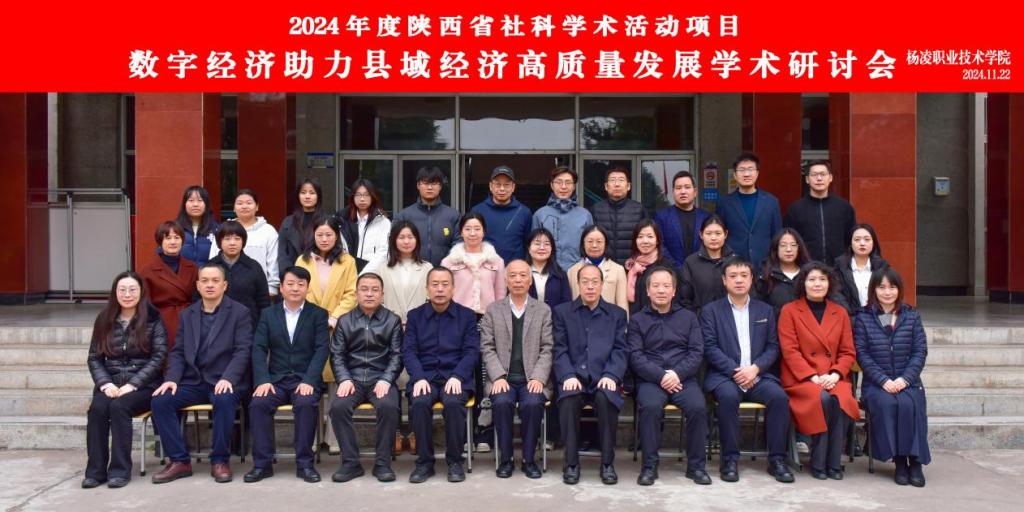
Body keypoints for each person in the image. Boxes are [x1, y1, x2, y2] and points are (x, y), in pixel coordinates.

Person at [150, 263, 253, 484]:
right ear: (197, 285)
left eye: (215, 281)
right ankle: (179, 461)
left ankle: (220, 460)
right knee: (161, 400)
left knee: (224, 399)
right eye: (205, 281)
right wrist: (171, 379)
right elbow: (178, 351)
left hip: (225, 380)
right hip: (194, 381)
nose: (210, 285)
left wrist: (228, 378)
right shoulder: (188, 314)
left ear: (224, 285)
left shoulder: (240, 312)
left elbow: (243, 350)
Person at [701, 258, 795, 484]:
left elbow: (773, 346)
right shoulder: (711, 311)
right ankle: (729, 461)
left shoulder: (766, 310)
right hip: (725, 377)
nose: (739, 280)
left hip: (758, 375)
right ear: (724, 280)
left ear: (752, 279)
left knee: (779, 398)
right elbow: (709, 347)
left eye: (744, 275)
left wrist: (755, 369)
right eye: (733, 276)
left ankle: (777, 460)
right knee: (727, 397)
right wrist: (736, 371)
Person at [245, 266, 329, 484]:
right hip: (276, 380)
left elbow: (322, 349)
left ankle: (305, 464)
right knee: (258, 404)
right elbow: (259, 348)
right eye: (290, 284)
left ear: (307, 288)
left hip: (304, 379)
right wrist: (262, 380)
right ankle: (262, 464)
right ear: (281, 288)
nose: (295, 288)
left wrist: (309, 380)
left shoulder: (318, 314)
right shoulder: (268, 314)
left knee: (305, 403)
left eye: (301, 284)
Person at [83, 272, 167, 489]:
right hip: (111, 384)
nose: (127, 294)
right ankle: (95, 472)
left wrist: (133, 384)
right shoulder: (104, 318)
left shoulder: (153, 319)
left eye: (132, 290)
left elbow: (158, 357)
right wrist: (105, 384)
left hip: (144, 386)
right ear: (115, 292)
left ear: (141, 292)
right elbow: (94, 358)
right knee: (98, 409)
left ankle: (120, 471)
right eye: (122, 290)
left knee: (119, 407)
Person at [778, 262, 860, 480]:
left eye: (822, 279)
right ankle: (818, 461)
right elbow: (790, 351)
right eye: (812, 279)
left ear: (829, 283)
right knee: (822, 399)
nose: (817, 284)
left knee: (841, 400)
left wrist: (835, 374)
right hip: (801, 379)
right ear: (803, 283)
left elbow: (848, 351)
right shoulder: (789, 311)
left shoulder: (840, 313)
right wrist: (813, 376)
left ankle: (834, 463)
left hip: (833, 377)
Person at [629, 267, 710, 486]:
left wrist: (676, 373)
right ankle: (649, 467)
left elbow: (696, 352)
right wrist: (661, 376)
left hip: (683, 378)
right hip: (651, 379)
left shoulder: (689, 317)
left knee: (698, 407)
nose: (661, 290)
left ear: (674, 291)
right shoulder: (637, 320)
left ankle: (696, 467)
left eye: (666, 286)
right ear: (648, 291)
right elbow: (636, 356)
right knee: (650, 407)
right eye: (656, 286)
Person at [403, 267, 480, 484]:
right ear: (427, 288)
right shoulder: (415, 316)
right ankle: (424, 462)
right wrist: (418, 377)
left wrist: (458, 376)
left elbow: (472, 351)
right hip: (425, 376)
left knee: (454, 403)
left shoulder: (467, 316)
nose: (440, 289)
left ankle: (455, 461)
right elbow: (408, 351)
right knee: (419, 402)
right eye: (435, 284)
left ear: (453, 288)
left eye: (445, 284)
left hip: (455, 376)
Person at [553, 264, 628, 485]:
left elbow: (621, 350)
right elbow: (559, 349)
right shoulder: (562, 312)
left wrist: (611, 375)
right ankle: (571, 463)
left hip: (603, 376)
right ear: (578, 284)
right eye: (585, 281)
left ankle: (607, 463)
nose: (590, 286)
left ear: (602, 284)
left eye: (595, 282)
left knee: (607, 399)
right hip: (574, 377)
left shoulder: (617, 314)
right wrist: (567, 375)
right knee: (568, 400)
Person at [854, 267, 930, 487]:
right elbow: (862, 354)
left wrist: (905, 379)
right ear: (874, 290)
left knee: (909, 405)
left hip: (908, 382)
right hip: (877, 384)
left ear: (899, 290)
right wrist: (884, 380)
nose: (887, 292)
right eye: (882, 287)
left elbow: (920, 351)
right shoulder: (864, 317)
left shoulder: (911, 315)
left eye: (892, 287)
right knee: (888, 404)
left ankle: (915, 462)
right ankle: (899, 462)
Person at [480, 260, 553, 479]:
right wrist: (498, 376)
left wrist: (539, 377)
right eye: (513, 276)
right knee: (502, 402)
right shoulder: (493, 310)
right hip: (503, 378)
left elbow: (548, 348)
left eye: (523, 276)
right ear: (506, 280)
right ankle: (506, 459)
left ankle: (529, 460)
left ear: (530, 281)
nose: (518, 280)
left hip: (532, 378)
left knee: (533, 403)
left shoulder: (543, 310)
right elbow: (487, 347)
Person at [329, 272, 404, 483]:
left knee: (389, 407)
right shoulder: (345, 321)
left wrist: (386, 379)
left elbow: (397, 355)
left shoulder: (392, 320)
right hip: (352, 379)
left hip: (380, 378)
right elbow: (337, 354)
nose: (369, 294)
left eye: (374, 290)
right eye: (364, 289)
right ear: (356, 293)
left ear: (382, 294)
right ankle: (351, 463)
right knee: (338, 407)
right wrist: (344, 379)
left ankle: (382, 463)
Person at [715, 152, 782, 268]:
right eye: (741, 170)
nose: (746, 174)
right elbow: (719, 234)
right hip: (734, 264)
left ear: (757, 173)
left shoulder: (771, 202)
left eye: (751, 169)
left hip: (764, 265)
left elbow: (777, 236)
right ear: (735, 175)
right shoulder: (724, 203)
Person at [783, 160, 857, 264]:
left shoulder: (844, 207)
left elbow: (852, 238)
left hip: (838, 268)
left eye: (823, 174)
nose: (819, 178)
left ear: (830, 178)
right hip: (806, 267)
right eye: (814, 175)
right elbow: (789, 240)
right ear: (807, 179)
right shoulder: (795, 209)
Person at [139, 221, 198, 351]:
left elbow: (198, 297)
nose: (173, 242)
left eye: (177, 237)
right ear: (160, 241)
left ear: (182, 241)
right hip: (162, 322)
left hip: (189, 320)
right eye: (168, 238)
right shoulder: (148, 270)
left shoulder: (192, 267)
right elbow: (144, 304)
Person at [210, 189, 279, 296]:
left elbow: (273, 262)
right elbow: (213, 259)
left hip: (259, 290)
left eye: (249, 203)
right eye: (240, 203)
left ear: (257, 206)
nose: (244, 206)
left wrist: (272, 289)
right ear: (234, 207)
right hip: (224, 291)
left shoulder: (268, 231)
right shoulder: (223, 229)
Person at [294, 216, 357, 330]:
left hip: (337, 325)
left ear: (336, 236)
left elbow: (351, 294)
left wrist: (334, 318)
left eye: (328, 235)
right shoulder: (302, 261)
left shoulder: (348, 261)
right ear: (314, 235)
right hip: (307, 323)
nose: (324, 239)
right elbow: (296, 291)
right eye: (319, 235)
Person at [394, 166, 461, 268]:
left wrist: (446, 265)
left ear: (440, 186)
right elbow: (394, 243)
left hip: (445, 272)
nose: (430, 187)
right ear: (418, 185)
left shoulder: (453, 215)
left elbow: (459, 244)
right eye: (425, 183)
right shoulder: (404, 216)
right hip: (412, 271)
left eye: (434, 183)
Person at [441, 212, 507, 315]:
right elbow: (444, 292)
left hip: (488, 317)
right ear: (461, 232)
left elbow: (500, 294)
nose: (472, 233)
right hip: (458, 316)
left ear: (483, 232)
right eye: (467, 229)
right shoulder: (449, 261)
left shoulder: (496, 260)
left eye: (477, 229)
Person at [209, 221, 271, 329]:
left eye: (237, 239)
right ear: (219, 242)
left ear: (243, 241)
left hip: (248, 325)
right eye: (227, 239)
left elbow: (263, 301)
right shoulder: (210, 266)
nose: (232, 243)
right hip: (215, 326)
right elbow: (199, 299)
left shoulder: (253, 267)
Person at [533, 166, 595, 272]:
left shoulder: (585, 215)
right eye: (559, 182)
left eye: (568, 182)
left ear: (574, 186)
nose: (563, 186)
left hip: (577, 271)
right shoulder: (540, 214)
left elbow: (590, 246)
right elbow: (533, 246)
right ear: (552, 185)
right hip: (547, 271)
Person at [470, 165, 532, 264]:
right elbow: (471, 241)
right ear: (491, 186)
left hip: (514, 270)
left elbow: (528, 244)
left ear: (513, 187)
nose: (502, 189)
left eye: (506, 185)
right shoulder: (477, 211)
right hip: (485, 268)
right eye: (497, 184)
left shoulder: (524, 212)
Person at [378, 221, 433, 327]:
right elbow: (380, 300)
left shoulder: (427, 268)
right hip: (389, 326)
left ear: (417, 240)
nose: (406, 241)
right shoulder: (383, 268)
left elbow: (430, 299)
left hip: (420, 325)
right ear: (394, 240)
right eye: (401, 237)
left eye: (410, 237)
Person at [589, 167, 648, 264]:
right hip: (603, 267)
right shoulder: (595, 210)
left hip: (632, 266)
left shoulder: (639, 210)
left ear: (628, 186)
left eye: (621, 180)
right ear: (606, 186)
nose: (617, 184)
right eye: (613, 180)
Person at [680, 215, 735, 314]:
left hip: (731, 318)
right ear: (701, 235)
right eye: (708, 233)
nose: (713, 238)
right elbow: (685, 298)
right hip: (700, 318)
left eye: (718, 233)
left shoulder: (735, 261)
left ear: (725, 234)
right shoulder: (691, 262)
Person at [654, 170, 710, 268]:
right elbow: (660, 245)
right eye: (678, 188)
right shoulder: (662, 217)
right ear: (673, 192)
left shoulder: (706, 217)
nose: (683, 191)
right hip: (671, 270)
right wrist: (677, 268)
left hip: (700, 270)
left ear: (695, 192)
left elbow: (710, 244)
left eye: (687, 187)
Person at [567, 225, 629, 312]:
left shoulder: (618, 270)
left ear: (605, 244)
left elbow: (622, 305)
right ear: (583, 244)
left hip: (609, 319)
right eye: (590, 241)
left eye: (599, 241)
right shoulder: (572, 271)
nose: (594, 245)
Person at [336, 178, 392, 274]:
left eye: (366, 195)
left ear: (373, 197)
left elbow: (384, 252)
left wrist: (365, 273)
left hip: (373, 274)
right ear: (352, 197)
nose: (362, 199)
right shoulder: (341, 220)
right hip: (346, 273)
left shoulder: (383, 222)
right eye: (358, 195)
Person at [625, 220, 680, 315]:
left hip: (659, 319)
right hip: (634, 320)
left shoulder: (667, 266)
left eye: (650, 237)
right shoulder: (629, 265)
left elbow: (676, 298)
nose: (645, 241)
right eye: (640, 237)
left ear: (657, 240)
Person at [755, 228, 812, 319]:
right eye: (783, 245)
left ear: (799, 248)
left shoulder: (809, 274)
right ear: (775, 249)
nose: (788, 249)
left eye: (793, 245)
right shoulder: (765, 275)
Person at [835, 223, 889, 316]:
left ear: (873, 243)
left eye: (867, 239)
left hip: (878, 319)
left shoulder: (882, 266)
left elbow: (889, 294)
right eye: (857, 239)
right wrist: (855, 317)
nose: (862, 243)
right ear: (850, 243)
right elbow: (836, 295)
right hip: (850, 319)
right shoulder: (840, 266)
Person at [278, 178, 326, 279]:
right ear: (298, 196)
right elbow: (282, 253)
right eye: (303, 193)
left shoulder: (327, 222)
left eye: (312, 193)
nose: (307, 196)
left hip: (320, 277)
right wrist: (290, 275)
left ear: (318, 196)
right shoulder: (288, 222)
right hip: (293, 277)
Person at [525, 228, 572, 311]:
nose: (542, 248)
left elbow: (566, 304)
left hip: (554, 318)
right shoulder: (521, 272)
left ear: (552, 249)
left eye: (546, 244)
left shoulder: (560, 274)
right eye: (537, 244)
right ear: (529, 248)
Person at [175, 185, 219, 266]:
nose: (195, 204)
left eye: (200, 200)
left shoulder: (216, 229)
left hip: (209, 273)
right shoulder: (174, 229)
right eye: (191, 200)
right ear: (184, 204)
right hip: (181, 273)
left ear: (206, 204)